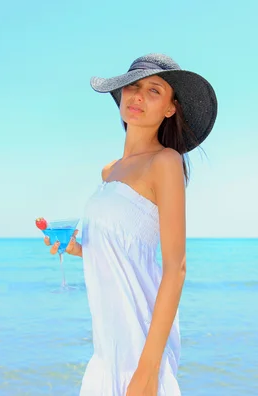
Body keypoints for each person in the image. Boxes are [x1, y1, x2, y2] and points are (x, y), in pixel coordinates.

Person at [44, 53, 218, 395]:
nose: (137, 96)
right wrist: (78, 247)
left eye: (153, 91)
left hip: (139, 339)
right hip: (107, 345)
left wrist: (147, 371)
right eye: (132, 87)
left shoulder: (165, 162)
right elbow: (124, 247)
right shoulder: (109, 171)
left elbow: (176, 268)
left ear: (170, 108)